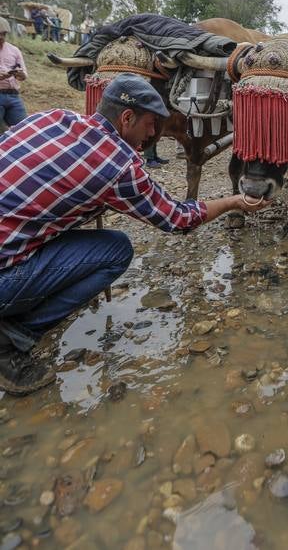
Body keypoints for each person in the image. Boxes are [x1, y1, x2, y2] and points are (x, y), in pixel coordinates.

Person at [0, 74, 269, 396]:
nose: (154, 133)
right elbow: (178, 219)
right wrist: (232, 202)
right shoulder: (119, 165)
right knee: (115, 251)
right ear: (127, 118)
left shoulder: (52, 118)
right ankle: (9, 342)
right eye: (151, 123)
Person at [0, 16, 28, 127]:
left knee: (23, 130)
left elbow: (24, 75)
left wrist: (20, 74)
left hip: (14, 96)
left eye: (4, 34)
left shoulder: (14, 50)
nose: (1, 37)